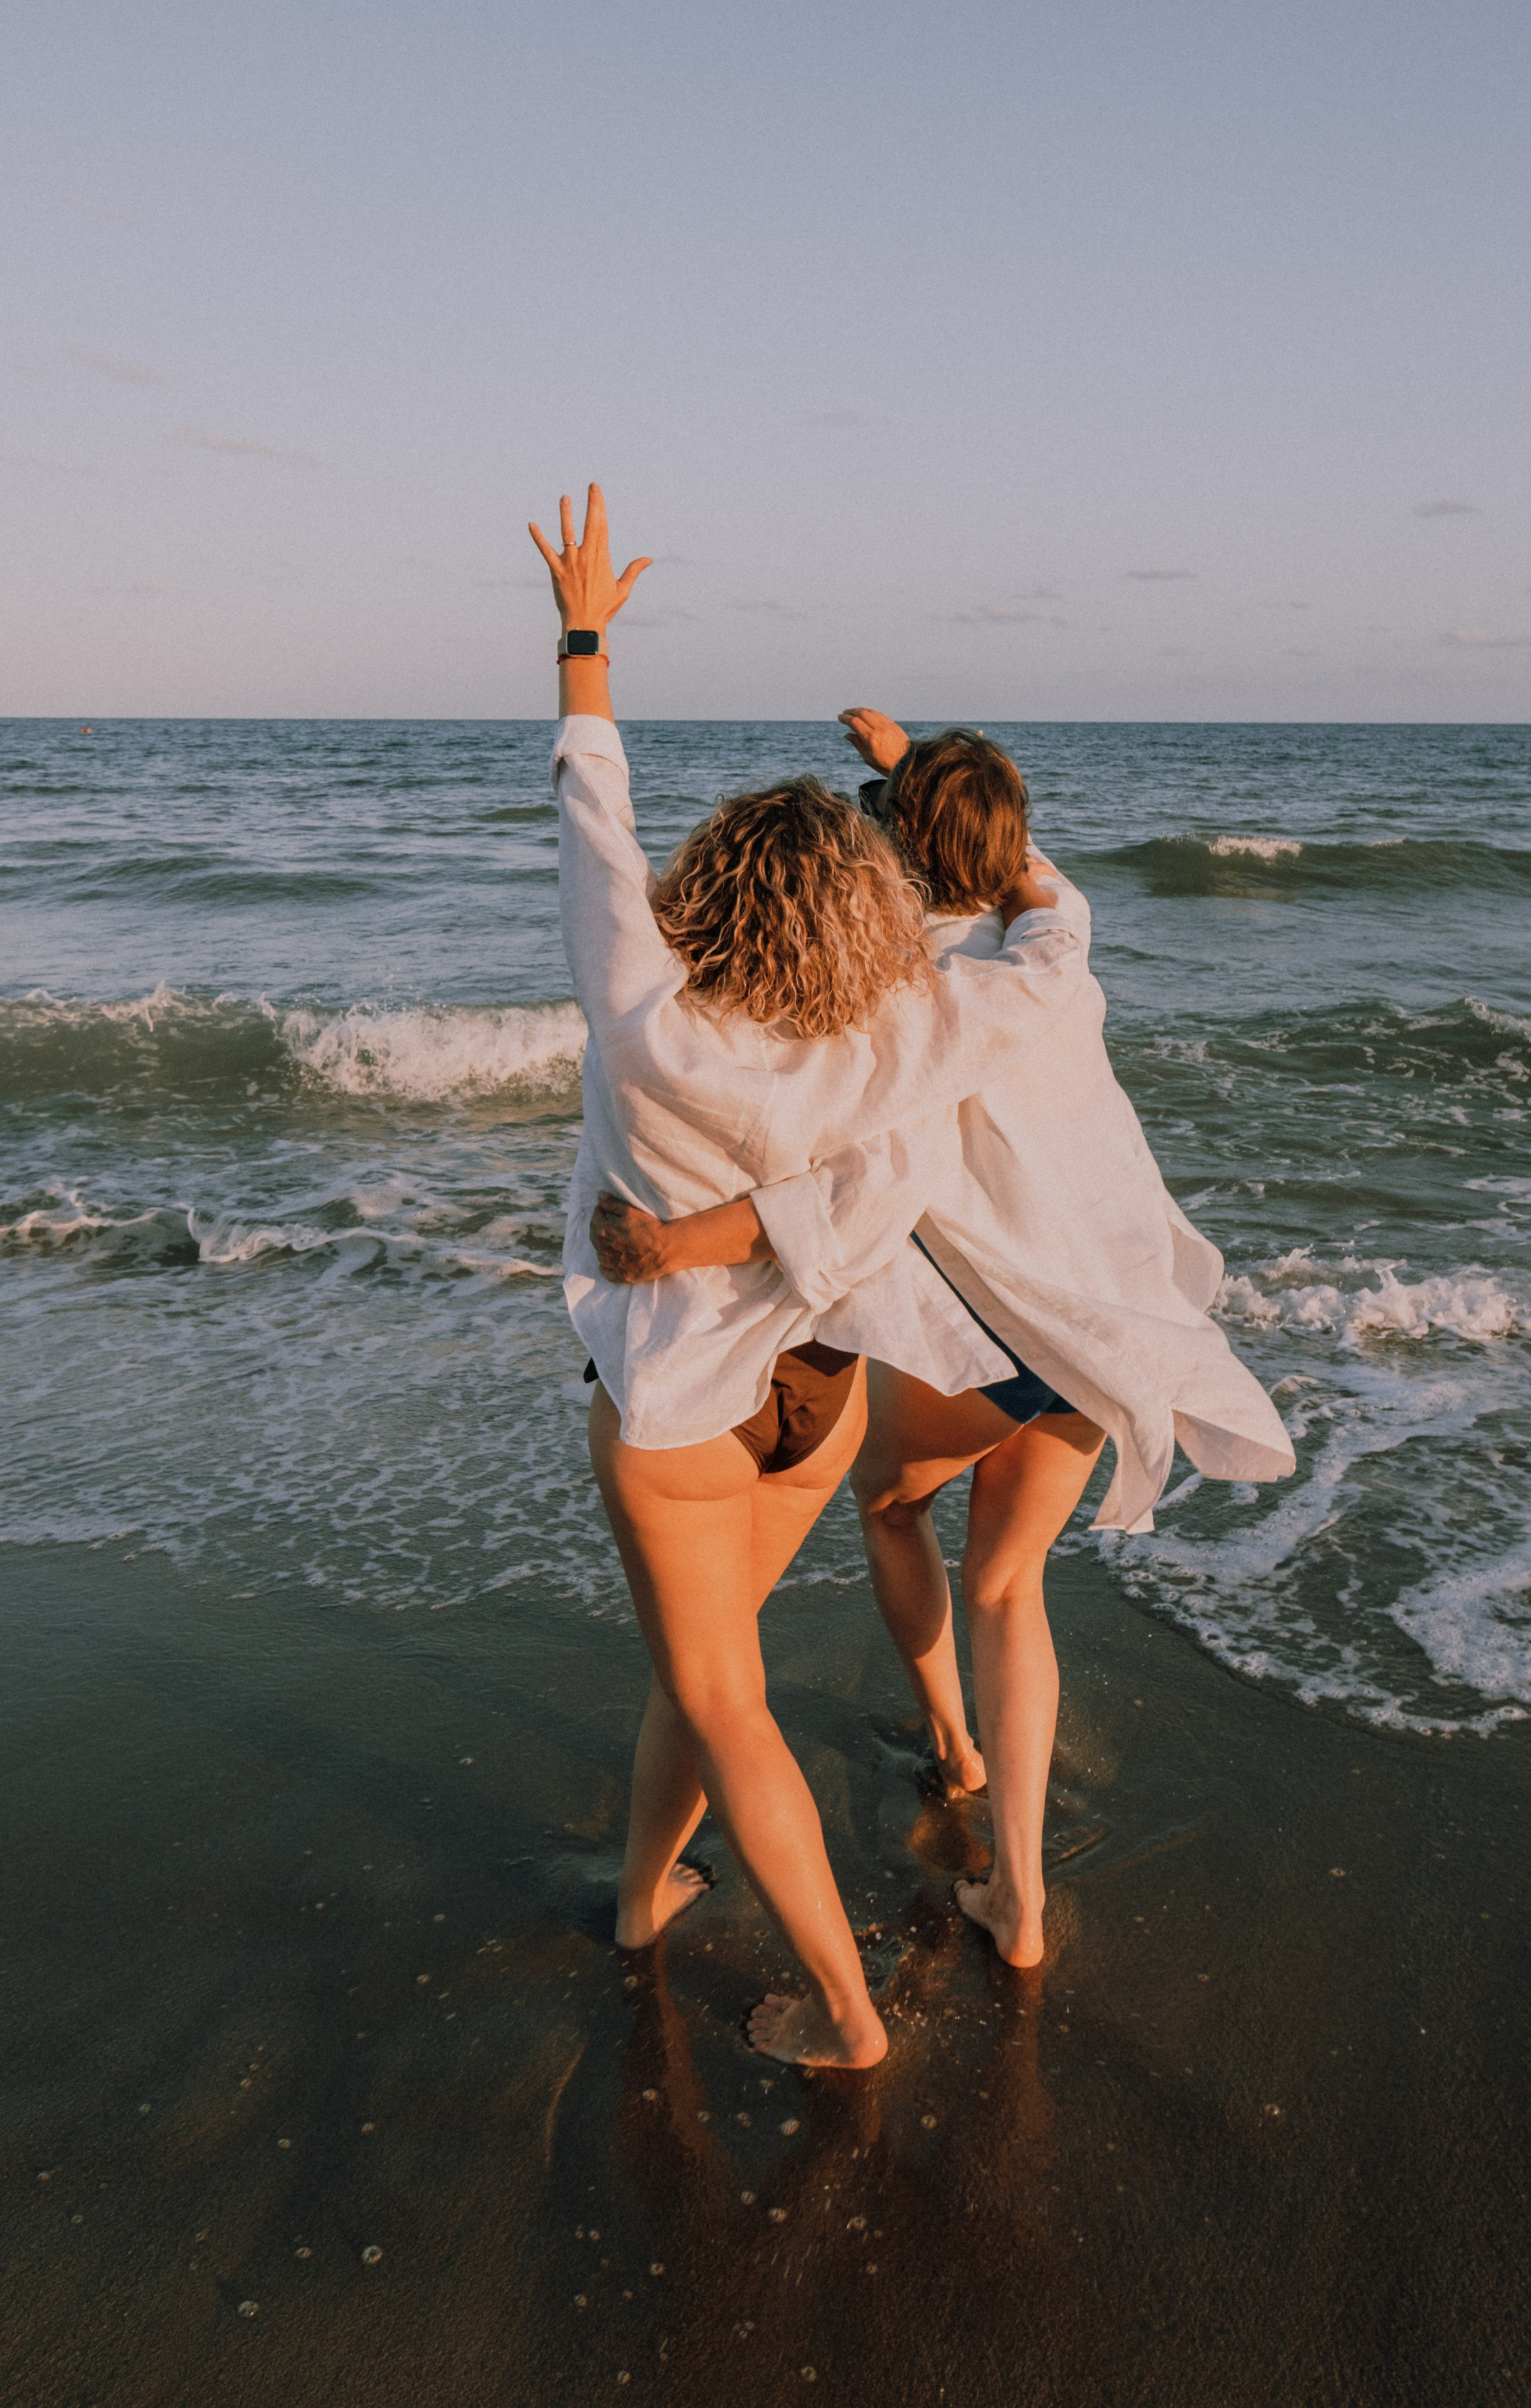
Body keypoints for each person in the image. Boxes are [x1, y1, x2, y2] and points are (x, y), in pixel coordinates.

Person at [590, 707, 1294, 1970]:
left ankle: (950, 1739)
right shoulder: (1047, 969)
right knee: (1011, 1587)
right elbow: (1045, 891)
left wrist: (686, 1240)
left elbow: (860, 1179)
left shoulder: (891, 994)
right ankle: (1017, 1900)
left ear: (886, 858)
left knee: (889, 1506)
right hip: (1097, 1333)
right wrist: (917, 773)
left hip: (983, 1343)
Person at [531, 490, 1092, 2062]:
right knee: (694, 1671)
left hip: (680, 1407)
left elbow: (590, 804)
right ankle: (645, 1896)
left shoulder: (640, 1006)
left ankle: (848, 2019)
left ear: (703, 884)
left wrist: (584, 640)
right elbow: (1048, 944)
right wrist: (934, 788)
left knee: (727, 1698)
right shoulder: (894, 1033)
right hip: (820, 1400)